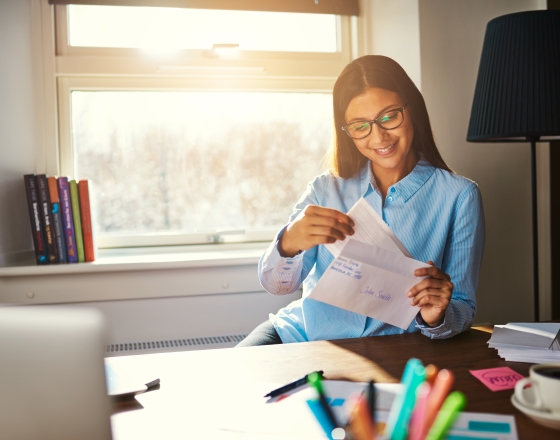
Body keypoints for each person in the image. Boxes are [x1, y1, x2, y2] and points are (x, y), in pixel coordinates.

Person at [237, 55, 485, 347]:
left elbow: (463, 307)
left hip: (395, 348)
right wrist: (289, 242)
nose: (378, 136)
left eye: (389, 116)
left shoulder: (459, 197)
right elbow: (278, 286)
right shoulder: (326, 189)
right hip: (304, 336)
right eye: (359, 125)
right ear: (347, 131)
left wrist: (436, 316)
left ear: (412, 109)